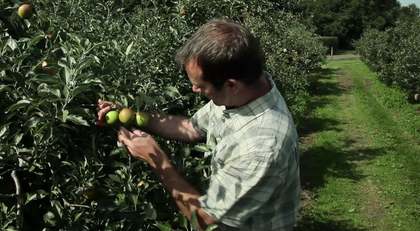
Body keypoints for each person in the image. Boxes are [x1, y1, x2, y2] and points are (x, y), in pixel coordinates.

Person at [96, 19, 301, 230]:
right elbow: (191, 128)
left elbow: (206, 220)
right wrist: (126, 115)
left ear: (232, 85)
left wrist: (157, 160)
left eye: (200, 85)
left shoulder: (261, 148)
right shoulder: (249, 90)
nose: (194, 90)